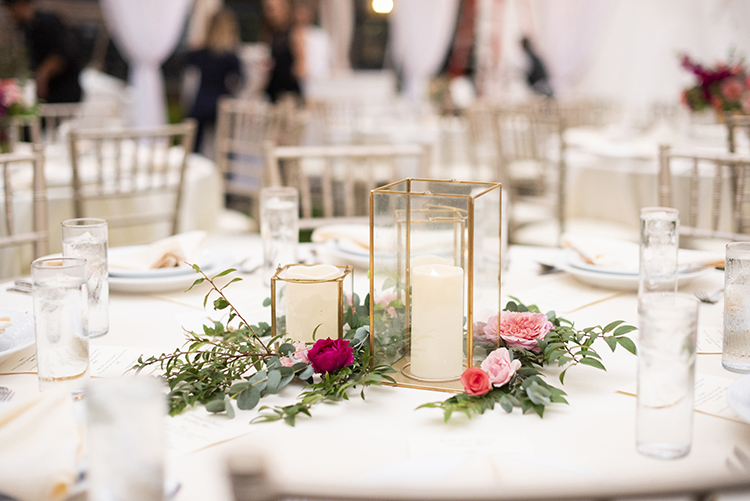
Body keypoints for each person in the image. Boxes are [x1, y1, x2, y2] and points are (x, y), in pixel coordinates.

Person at [186, 8, 243, 153]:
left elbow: (187, 61)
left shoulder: (202, 53)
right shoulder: (231, 55)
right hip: (221, 102)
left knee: (194, 144)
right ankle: (226, 171)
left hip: (202, 101)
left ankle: (192, 166)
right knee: (227, 144)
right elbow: (239, 80)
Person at [3, 0, 82, 103]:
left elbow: (64, 52)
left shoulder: (47, 22)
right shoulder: (25, 28)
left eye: (11, 10)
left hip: (64, 89)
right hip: (48, 92)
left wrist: (43, 75)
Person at [262, 0, 302, 103]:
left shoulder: (294, 33)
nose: (269, 14)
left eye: (272, 9)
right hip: (273, 90)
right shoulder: (270, 33)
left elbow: (301, 66)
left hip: (288, 91)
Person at [292, 0, 332, 94]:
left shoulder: (320, 36)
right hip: (296, 83)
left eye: (303, 13)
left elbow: (326, 61)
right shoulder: (291, 34)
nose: (300, 17)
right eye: (298, 13)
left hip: (318, 83)